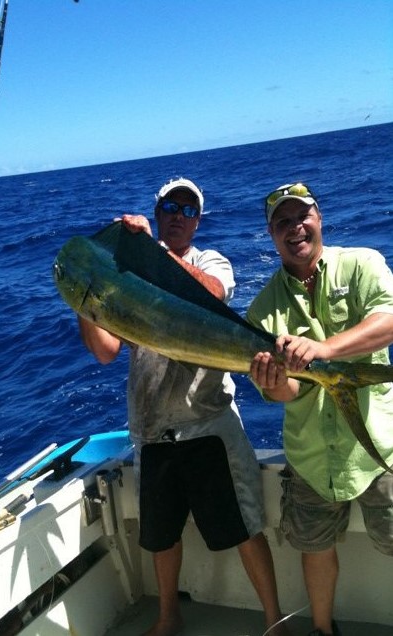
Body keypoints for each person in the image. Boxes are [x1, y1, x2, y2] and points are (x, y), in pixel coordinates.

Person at [77, 177, 287, 636]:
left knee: (245, 528)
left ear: (197, 222)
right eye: (171, 206)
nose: (178, 215)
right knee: (159, 536)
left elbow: (212, 293)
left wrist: (152, 254)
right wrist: (87, 293)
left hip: (209, 425)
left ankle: (275, 623)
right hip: (152, 429)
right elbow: (106, 350)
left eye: (188, 210)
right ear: (156, 212)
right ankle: (168, 617)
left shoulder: (209, 261)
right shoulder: (123, 274)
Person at [247, 182, 393, 636]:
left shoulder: (363, 263)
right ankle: (323, 631)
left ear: (319, 216)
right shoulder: (261, 311)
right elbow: (285, 392)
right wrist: (274, 383)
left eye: (301, 216)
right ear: (271, 235)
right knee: (315, 546)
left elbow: (389, 320)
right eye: (282, 223)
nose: (295, 228)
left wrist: (323, 349)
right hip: (312, 457)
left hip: (381, 449)